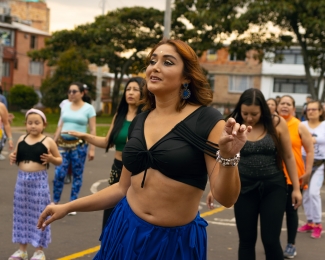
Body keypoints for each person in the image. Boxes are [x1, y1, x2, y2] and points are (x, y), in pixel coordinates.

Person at [37, 39, 251, 260]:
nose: (154, 67)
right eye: (152, 61)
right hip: (125, 229)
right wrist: (67, 206)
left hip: (175, 244)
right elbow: (122, 188)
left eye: (167, 62)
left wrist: (229, 156)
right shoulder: (139, 121)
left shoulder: (207, 120)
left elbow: (227, 198)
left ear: (186, 77)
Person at [207, 88, 302, 260]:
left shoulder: (276, 123)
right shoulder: (233, 125)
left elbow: (288, 155)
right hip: (242, 189)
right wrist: (215, 188)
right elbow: (222, 156)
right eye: (245, 113)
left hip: (273, 188)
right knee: (246, 241)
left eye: (254, 114)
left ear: (263, 110)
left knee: (271, 240)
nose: (249, 118)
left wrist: (296, 188)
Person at [68, 76, 145, 230]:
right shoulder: (119, 116)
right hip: (117, 169)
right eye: (128, 89)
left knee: (133, 216)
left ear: (143, 93)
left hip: (138, 172)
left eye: (135, 89)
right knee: (111, 215)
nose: (130, 93)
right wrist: (85, 136)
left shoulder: (147, 117)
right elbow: (106, 142)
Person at [8, 109, 62, 260]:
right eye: (30, 123)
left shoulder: (48, 141)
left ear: (44, 124)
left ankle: (39, 251)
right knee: (21, 215)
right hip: (21, 182)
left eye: (37, 123)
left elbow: (59, 160)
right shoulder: (21, 139)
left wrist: (51, 158)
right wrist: (12, 157)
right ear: (25, 124)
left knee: (40, 214)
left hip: (39, 183)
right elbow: (16, 155)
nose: (33, 126)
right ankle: (22, 250)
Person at [277, 95, 314, 258]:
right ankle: (273, 243)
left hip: (293, 177)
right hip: (274, 176)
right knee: (274, 213)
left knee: (291, 212)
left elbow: (310, 150)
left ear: (293, 108)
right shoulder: (272, 124)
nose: (284, 106)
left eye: (288, 104)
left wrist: (308, 171)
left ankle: (291, 244)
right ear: (277, 106)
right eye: (282, 103)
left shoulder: (299, 125)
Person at [52, 82, 96, 213]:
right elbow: (60, 125)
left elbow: (93, 129)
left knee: (77, 174)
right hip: (63, 144)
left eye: (74, 91)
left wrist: (92, 149)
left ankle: (73, 204)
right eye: (69, 91)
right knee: (59, 173)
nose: (71, 94)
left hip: (79, 146)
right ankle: (55, 202)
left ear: (82, 93)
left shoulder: (88, 108)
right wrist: (53, 142)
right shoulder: (65, 106)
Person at [298, 100, 325, 239]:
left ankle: (318, 224)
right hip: (304, 164)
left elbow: (315, 139)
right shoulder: (301, 125)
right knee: (306, 195)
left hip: (320, 164)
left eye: (314, 109)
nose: (311, 111)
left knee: (314, 193)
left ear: (321, 111)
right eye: (309, 109)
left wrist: (311, 139)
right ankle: (310, 222)